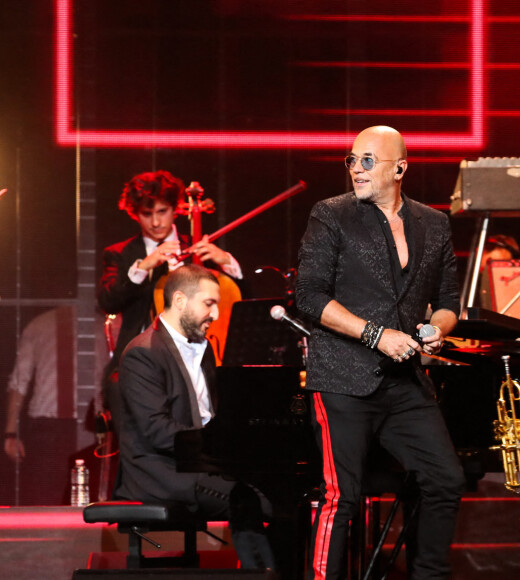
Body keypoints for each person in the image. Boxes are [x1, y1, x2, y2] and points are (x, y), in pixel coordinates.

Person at [295, 125, 465, 579]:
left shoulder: (433, 223)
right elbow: (309, 296)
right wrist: (375, 334)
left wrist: (436, 328)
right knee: (342, 497)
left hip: (404, 381)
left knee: (446, 479)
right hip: (342, 380)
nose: (356, 169)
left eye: (367, 160)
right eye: (351, 160)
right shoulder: (331, 214)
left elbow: (450, 301)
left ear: (400, 169)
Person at [115, 264, 275, 569]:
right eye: (209, 303)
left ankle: (269, 573)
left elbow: (213, 415)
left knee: (276, 493)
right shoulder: (142, 353)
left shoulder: (204, 349)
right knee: (253, 500)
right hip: (161, 473)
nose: (215, 314)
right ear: (179, 301)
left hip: (199, 464)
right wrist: (217, 449)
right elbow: (158, 431)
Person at [98, 169, 243, 369]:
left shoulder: (198, 250)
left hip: (200, 358)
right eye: (147, 214)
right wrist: (143, 266)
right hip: (141, 360)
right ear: (135, 214)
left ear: (175, 209)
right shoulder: (119, 253)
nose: (156, 222)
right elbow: (108, 303)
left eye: (162, 211)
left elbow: (239, 301)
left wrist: (227, 262)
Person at [3, 306, 107, 505]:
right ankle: (84, 534)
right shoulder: (101, 325)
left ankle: (53, 533)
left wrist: (10, 433)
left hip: (53, 425)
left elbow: (19, 381)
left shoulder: (39, 324)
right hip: (84, 425)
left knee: (48, 496)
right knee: (87, 495)